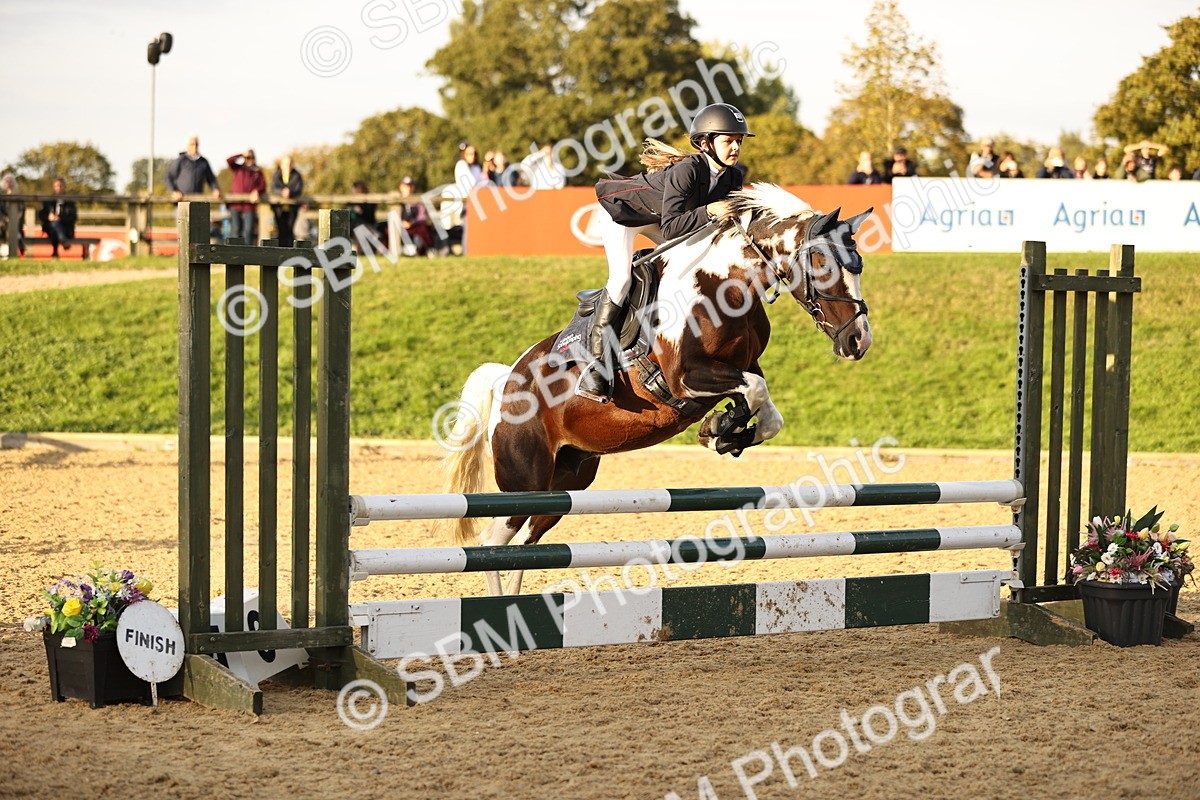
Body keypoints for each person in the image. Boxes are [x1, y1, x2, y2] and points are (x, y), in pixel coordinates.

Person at [582, 102, 752, 402]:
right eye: (728, 140)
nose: (735, 147)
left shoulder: (732, 177)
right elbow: (674, 228)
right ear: (705, 143)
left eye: (738, 141)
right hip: (625, 216)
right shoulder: (687, 170)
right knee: (621, 279)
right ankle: (595, 361)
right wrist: (710, 210)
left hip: (660, 218)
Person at [226, 149, 265, 242]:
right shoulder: (238, 169)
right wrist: (241, 154)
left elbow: (263, 186)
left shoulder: (258, 172)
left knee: (248, 231)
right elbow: (229, 160)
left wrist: (257, 191)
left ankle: (248, 254)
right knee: (236, 231)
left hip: (249, 206)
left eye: (251, 157)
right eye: (247, 157)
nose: (249, 159)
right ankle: (234, 254)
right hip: (235, 205)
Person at [165, 136, 221, 200]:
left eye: (196, 144)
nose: (194, 146)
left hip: (198, 201)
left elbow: (211, 179)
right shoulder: (181, 160)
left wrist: (215, 189)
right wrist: (174, 191)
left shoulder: (203, 162)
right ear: (187, 146)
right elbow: (168, 176)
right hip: (181, 201)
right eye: (192, 144)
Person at [37, 176, 78, 257]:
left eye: (61, 185)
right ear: (54, 187)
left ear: (64, 187)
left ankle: (56, 251)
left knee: (55, 224)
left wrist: (60, 218)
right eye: (57, 186)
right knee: (53, 225)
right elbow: (40, 215)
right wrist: (48, 217)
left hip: (66, 228)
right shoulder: (48, 200)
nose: (59, 188)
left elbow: (73, 217)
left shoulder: (70, 202)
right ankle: (63, 241)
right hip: (49, 227)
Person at [270, 156, 304, 247]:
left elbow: (299, 189)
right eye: (286, 164)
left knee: (290, 230)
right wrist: (282, 192)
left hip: (292, 208)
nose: (288, 166)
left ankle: (290, 251)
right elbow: (273, 188)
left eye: (290, 164)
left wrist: (290, 193)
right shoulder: (276, 175)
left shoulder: (297, 175)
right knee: (281, 230)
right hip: (279, 208)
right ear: (281, 165)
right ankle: (281, 251)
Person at [397, 176, 435, 255]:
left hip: (415, 227)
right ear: (401, 187)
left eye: (410, 186)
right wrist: (401, 223)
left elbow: (423, 217)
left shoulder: (418, 200)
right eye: (406, 186)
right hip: (400, 227)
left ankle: (427, 250)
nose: (408, 189)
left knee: (423, 229)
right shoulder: (396, 200)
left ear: (413, 187)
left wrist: (412, 223)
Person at [1, 172, 26, 256]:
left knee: (12, 226)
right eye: (7, 181)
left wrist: (14, 220)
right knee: (6, 227)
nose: (9, 183)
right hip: (3, 223)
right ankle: (20, 243)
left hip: (16, 223)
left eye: (11, 181)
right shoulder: (1, 196)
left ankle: (9, 254)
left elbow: (21, 211)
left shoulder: (19, 196)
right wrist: (4, 218)